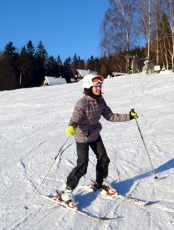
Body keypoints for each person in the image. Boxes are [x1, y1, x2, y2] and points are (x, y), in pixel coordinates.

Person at [57, 74, 138, 208]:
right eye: (95, 86)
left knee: (104, 159)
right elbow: (75, 118)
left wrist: (129, 116)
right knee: (82, 166)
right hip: (82, 137)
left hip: (94, 135)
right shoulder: (82, 103)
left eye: (100, 86)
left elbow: (110, 116)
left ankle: (100, 182)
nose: (98, 88)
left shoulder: (101, 101)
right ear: (88, 86)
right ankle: (66, 192)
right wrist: (72, 126)